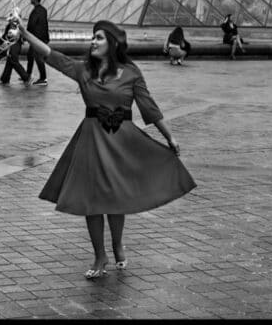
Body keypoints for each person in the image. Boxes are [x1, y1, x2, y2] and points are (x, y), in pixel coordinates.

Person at [14, 15, 195, 279]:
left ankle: (117, 243)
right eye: (93, 37)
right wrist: (25, 34)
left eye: (98, 37)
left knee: (115, 196)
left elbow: (149, 107)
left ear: (112, 43)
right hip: (91, 141)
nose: (93, 41)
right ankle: (100, 254)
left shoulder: (131, 73)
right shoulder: (84, 70)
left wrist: (170, 137)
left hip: (121, 141)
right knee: (92, 200)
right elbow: (52, 55)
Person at [24, 0, 50, 85]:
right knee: (30, 55)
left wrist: (25, 35)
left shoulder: (36, 11)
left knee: (38, 57)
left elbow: (32, 25)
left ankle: (43, 78)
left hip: (36, 38)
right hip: (41, 37)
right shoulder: (43, 10)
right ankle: (27, 75)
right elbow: (45, 25)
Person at [0, 19, 30, 86]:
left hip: (16, 45)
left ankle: (25, 77)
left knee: (13, 60)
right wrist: (0, 42)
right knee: (10, 61)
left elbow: (24, 37)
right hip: (13, 45)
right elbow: (5, 35)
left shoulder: (19, 26)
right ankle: (4, 79)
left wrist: (0, 42)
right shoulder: (10, 26)